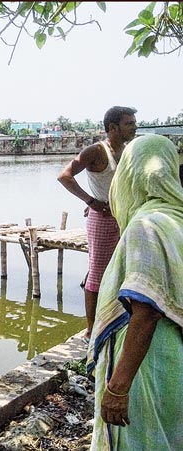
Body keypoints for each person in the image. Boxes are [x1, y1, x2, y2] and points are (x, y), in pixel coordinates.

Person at [86, 134, 183, 450]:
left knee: (137, 439)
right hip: (173, 357)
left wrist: (118, 387)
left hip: (146, 364)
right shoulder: (175, 218)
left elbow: (147, 309)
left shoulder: (147, 226)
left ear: (130, 174)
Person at [57, 106, 137, 339]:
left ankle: (116, 317)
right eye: (129, 123)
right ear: (113, 127)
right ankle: (91, 329)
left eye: (134, 123)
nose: (134, 127)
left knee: (123, 270)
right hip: (102, 219)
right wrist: (90, 200)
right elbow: (65, 176)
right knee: (97, 274)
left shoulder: (129, 150)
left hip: (124, 217)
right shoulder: (96, 151)